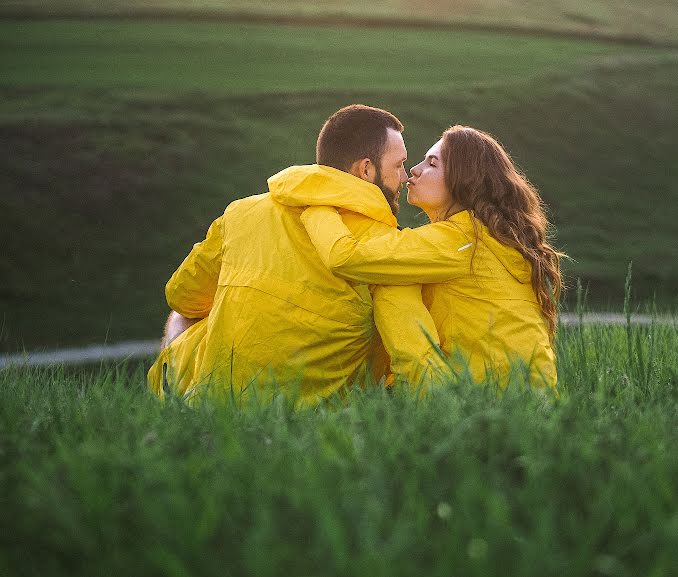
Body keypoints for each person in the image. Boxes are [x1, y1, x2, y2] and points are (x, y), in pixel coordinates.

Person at [147, 104, 431, 406]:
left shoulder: (242, 212)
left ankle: (175, 402)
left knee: (184, 314)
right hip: (320, 417)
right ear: (365, 169)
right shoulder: (380, 245)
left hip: (220, 404)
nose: (404, 177)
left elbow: (182, 297)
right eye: (399, 165)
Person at [301, 125, 564, 388]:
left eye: (432, 164)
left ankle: (417, 391)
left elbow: (345, 256)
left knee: (391, 282)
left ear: (463, 180)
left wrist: (317, 203)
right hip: (524, 399)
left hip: (496, 401)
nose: (414, 170)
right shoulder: (488, 238)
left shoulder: (462, 240)